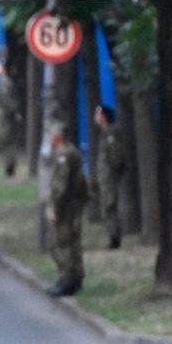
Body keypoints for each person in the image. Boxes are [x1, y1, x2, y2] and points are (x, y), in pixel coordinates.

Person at [46, 123, 88, 297]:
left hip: (65, 207)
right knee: (71, 242)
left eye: (51, 135)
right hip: (72, 205)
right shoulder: (71, 152)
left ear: (57, 137)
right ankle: (74, 278)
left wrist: (54, 207)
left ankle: (67, 280)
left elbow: (60, 186)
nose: (49, 138)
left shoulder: (63, 155)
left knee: (62, 243)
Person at [94, 103, 124, 249]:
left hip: (109, 177)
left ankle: (115, 239)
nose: (96, 117)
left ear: (104, 117)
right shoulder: (104, 133)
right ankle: (112, 236)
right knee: (106, 207)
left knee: (109, 206)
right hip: (105, 177)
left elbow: (115, 157)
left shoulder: (111, 134)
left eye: (98, 114)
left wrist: (113, 174)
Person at [0, 60, 22, 178]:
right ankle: (8, 166)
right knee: (4, 142)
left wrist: (13, 112)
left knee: (7, 142)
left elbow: (7, 101)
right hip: (3, 118)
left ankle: (9, 167)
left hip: (5, 118)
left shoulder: (5, 84)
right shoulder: (3, 83)